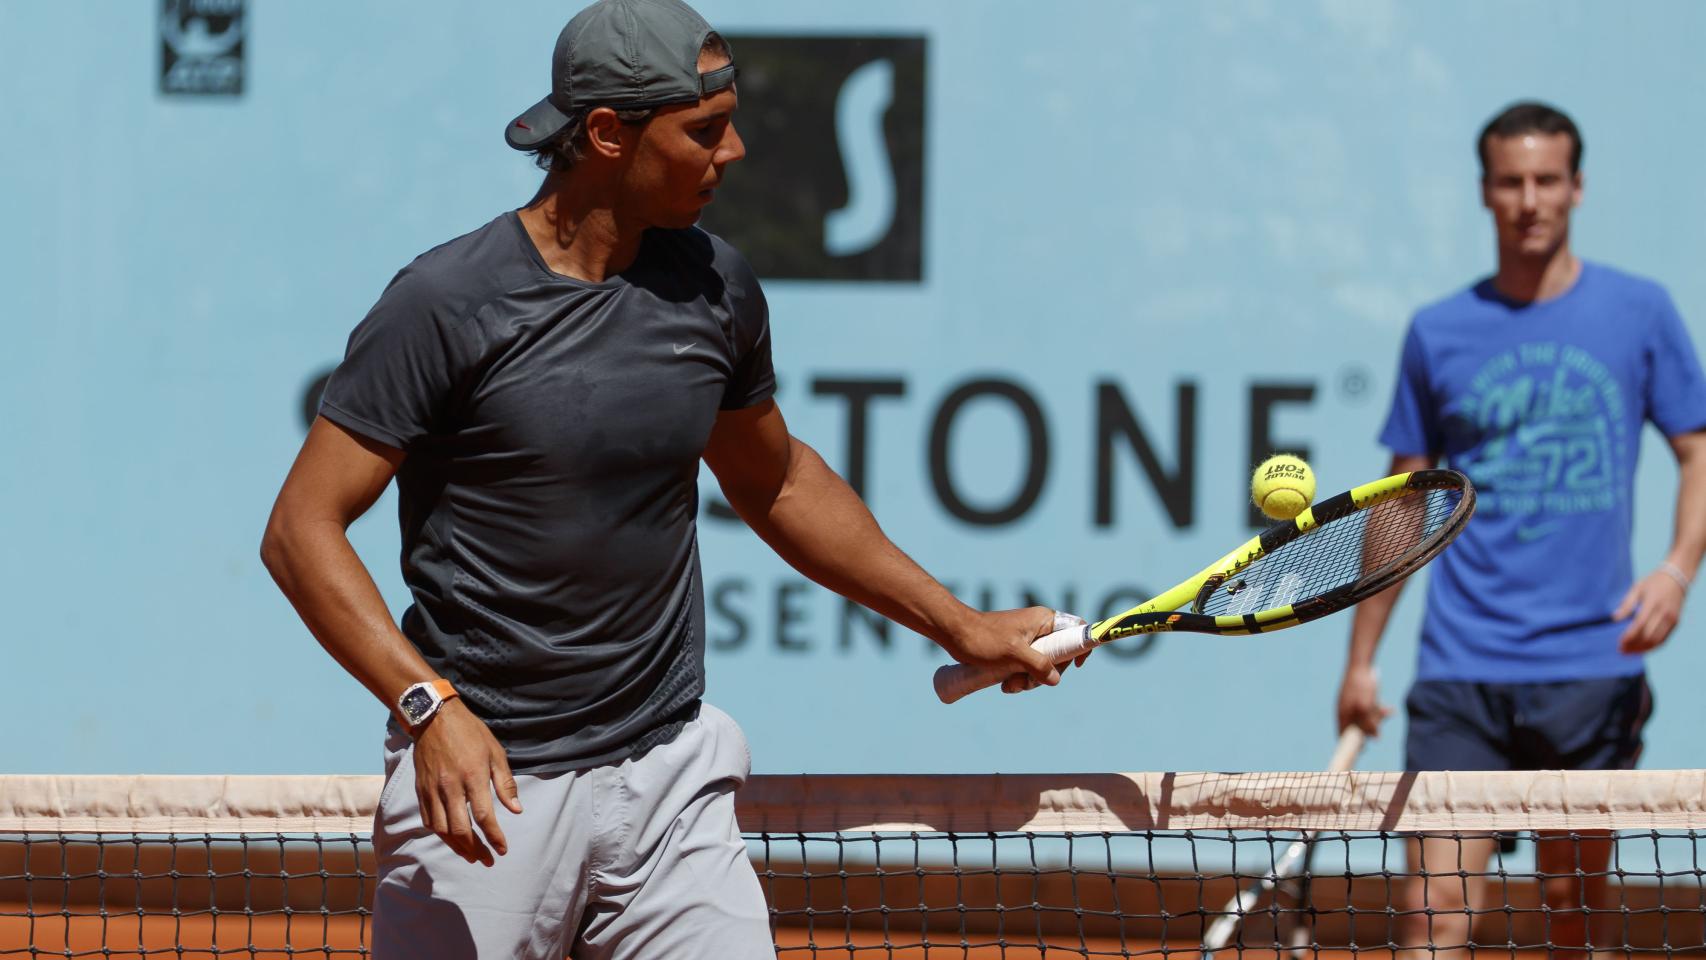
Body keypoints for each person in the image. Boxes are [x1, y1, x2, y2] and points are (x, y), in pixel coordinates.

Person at [259, 1, 1075, 955]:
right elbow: (301, 529)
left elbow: (776, 485)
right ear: (606, 133)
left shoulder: (715, 285)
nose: (730, 153)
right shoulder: (445, 305)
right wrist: (428, 706)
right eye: (703, 130)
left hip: (669, 778)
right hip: (488, 787)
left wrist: (961, 624)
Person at [1336, 101, 1706, 958]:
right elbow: (1400, 502)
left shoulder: (1641, 313)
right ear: (1485, 193)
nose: (1530, 199)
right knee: (1433, 918)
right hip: (1461, 676)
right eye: (1511, 182)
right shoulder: (1437, 332)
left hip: (1591, 674)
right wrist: (1360, 661)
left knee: (1573, 914)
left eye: (1547, 180)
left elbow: (1698, 450)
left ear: (1577, 188)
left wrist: (1677, 570)